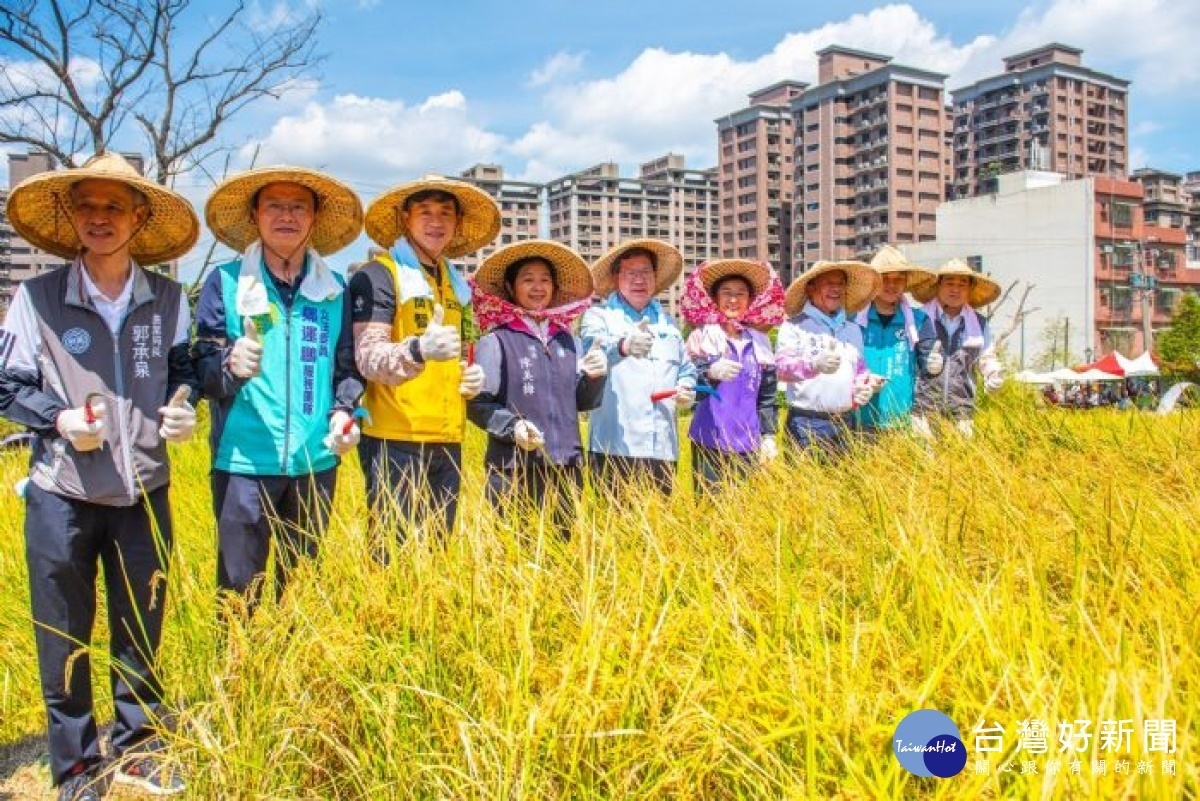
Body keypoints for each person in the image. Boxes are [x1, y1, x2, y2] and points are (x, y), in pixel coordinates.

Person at [0, 152, 200, 799]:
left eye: (115, 206)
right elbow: (7, 384)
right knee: (64, 630)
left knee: (141, 620)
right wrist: (56, 419)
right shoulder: (36, 299)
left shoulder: (168, 298)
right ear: (71, 214)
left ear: (139, 217)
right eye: (87, 204)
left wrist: (183, 404)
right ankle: (77, 765)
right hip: (62, 492)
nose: (100, 217)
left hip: (144, 486)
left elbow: (184, 370)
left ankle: (139, 745)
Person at [194, 166, 365, 609]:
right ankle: (235, 676)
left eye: (298, 207)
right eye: (274, 206)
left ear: (313, 218)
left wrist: (345, 411)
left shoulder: (334, 291)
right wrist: (228, 364)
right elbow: (203, 368)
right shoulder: (226, 282)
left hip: (316, 459)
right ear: (255, 215)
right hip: (243, 461)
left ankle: (295, 677)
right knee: (238, 592)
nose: (286, 216)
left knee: (302, 592)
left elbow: (347, 368)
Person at [348, 175, 499, 545]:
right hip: (396, 436)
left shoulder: (455, 284)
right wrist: (418, 350)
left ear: (457, 222)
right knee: (391, 557)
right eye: (425, 212)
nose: (436, 222)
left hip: (448, 436)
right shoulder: (380, 275)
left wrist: (468, 376)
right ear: (405, 218)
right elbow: (367, 356)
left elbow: (459, 350)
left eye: (446, 213)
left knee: (437, 552)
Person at [466, 241, 608, 538]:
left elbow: (580, 401)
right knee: (513, 554)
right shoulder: (497, 341)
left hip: (566, 466)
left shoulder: (568, 340)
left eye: (545, 280)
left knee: (563, 557)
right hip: (514, 470)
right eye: (528, 279)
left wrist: (595, 377)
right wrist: (513, 427)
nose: (537, 287)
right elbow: (478, 404)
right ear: (510, 286)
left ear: (554, 287)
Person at [580, 239, 696, 495]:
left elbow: (687, 370)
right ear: (616, 277)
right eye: (631, 273)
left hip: (663, 449)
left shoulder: (669, 325)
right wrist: (623, 346)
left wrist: (686, 390)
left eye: (646, 273)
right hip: (614, 446)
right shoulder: (599, 317)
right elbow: (591, 349)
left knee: (659, 529)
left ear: (656, 278)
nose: (639, 280)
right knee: (612, 527)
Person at [681, 259, 786, 495]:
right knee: (710, 505)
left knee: (745, 510)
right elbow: (688, 382)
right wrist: (709, 372)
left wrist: (768, 435)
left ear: (750, 300)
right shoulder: (702, 337)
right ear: (714, 298)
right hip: (709, 437)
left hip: (748, 440)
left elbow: (766, 397)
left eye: (741, 293)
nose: (733, 299)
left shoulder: (759, 341)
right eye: (726, 293)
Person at [776, 260, 881, 456]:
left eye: (840, 283)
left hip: (846, 422)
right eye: (828, 283)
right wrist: (813, 364)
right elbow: (782, 368)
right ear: (811, 288)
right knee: (806, 484)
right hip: (807, 423)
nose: (835, 289)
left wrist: (864, 387)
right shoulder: (794, 327)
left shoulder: (852, 329)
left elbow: (859, 370)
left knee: (843, 484)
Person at [908, 258, 1004, 438]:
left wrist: (994, 375)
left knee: (959, 461)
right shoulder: (919, 318)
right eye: (949, 283)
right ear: (938, 286)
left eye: (962, 284)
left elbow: (987, 358)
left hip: (962, 412)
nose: (955, 289)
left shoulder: (979, 324)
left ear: (969, 289)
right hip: (923, 410)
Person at [852, 246, 941, 434]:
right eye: (885, 279)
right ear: (873, 282)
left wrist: (933, 363)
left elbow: (927, 364)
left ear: (906, 282)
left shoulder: (919, 320)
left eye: (898, 279)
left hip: (902, 420)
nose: (892, 285)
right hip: (857, 418)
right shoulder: (853, 321)